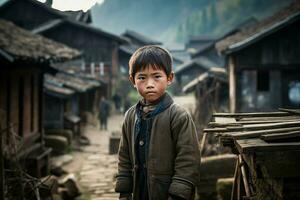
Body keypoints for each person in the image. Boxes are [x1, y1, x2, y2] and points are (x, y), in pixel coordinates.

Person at [115, 45, 201, 200]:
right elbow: (124, 156)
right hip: (139, 191)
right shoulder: (130, 116)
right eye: (142, 77)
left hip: (167, 193)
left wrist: (177, 194)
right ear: (132, 80)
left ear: (169, 78)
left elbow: (188, 159)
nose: (149, 84)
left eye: (156, 76)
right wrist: (124, 191)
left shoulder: (178, 116)